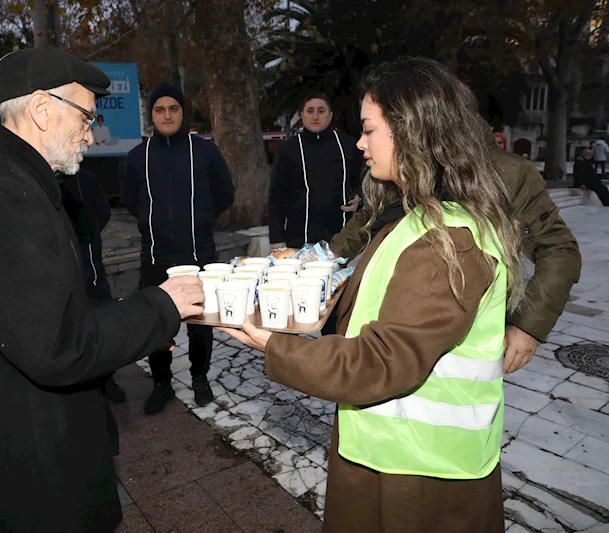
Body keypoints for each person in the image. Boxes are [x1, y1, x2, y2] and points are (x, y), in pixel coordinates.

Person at [0, 47, 204, 532]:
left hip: (10, 452)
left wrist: (135, 327)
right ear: (42, 110)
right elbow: (58, 344)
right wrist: (161, 306)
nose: (92, 131)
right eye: (86, 115)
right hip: (21, 484)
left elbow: (44, 309)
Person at [222, 57, 525, 533]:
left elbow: (382, 361)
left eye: (369, 130)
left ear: (411, 131)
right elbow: (386, 303)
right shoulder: (414, 219)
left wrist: (274, 345)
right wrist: (325, 310)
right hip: (390, 450)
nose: (360, 143)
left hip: (419, 475)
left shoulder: (449, 240)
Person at [332, 123, 581, 378]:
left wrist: (529, 326)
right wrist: (328, 257)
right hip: (394, 316)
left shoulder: (507, 172)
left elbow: (559, 248)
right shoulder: (403, 158)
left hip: (468, 331)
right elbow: (370, 217)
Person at [122, 83, 235, 413]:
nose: (167, 115)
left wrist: (200, 217)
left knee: (200, 323)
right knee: (159, 323)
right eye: (160, 110)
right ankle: (162, 384)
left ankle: (200, 378)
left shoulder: (205, 151)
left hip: (199, 254)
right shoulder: (137, 156)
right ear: (152, 116)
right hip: (156, 256)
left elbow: (225, 194)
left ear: (183, 112)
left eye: (173, 108)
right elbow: (130, 200)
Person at [57, 167, 128, 402]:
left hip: (93, 272)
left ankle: (107, 380)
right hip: (60, 279)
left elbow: (103, 213)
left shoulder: (86, 178)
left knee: (101, 327)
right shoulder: (37, 180)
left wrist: (88, 233)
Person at [268, 92, 364, 250]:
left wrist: (360, 197)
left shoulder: (348, 145)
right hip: (299, 240)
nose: (315, 116)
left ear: (330, 115)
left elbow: (365, 179)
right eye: (310, 111)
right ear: (302, 115)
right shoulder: (288, 149)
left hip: (343, 239)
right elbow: (276, 198)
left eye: (321, 111)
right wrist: (277, 239)